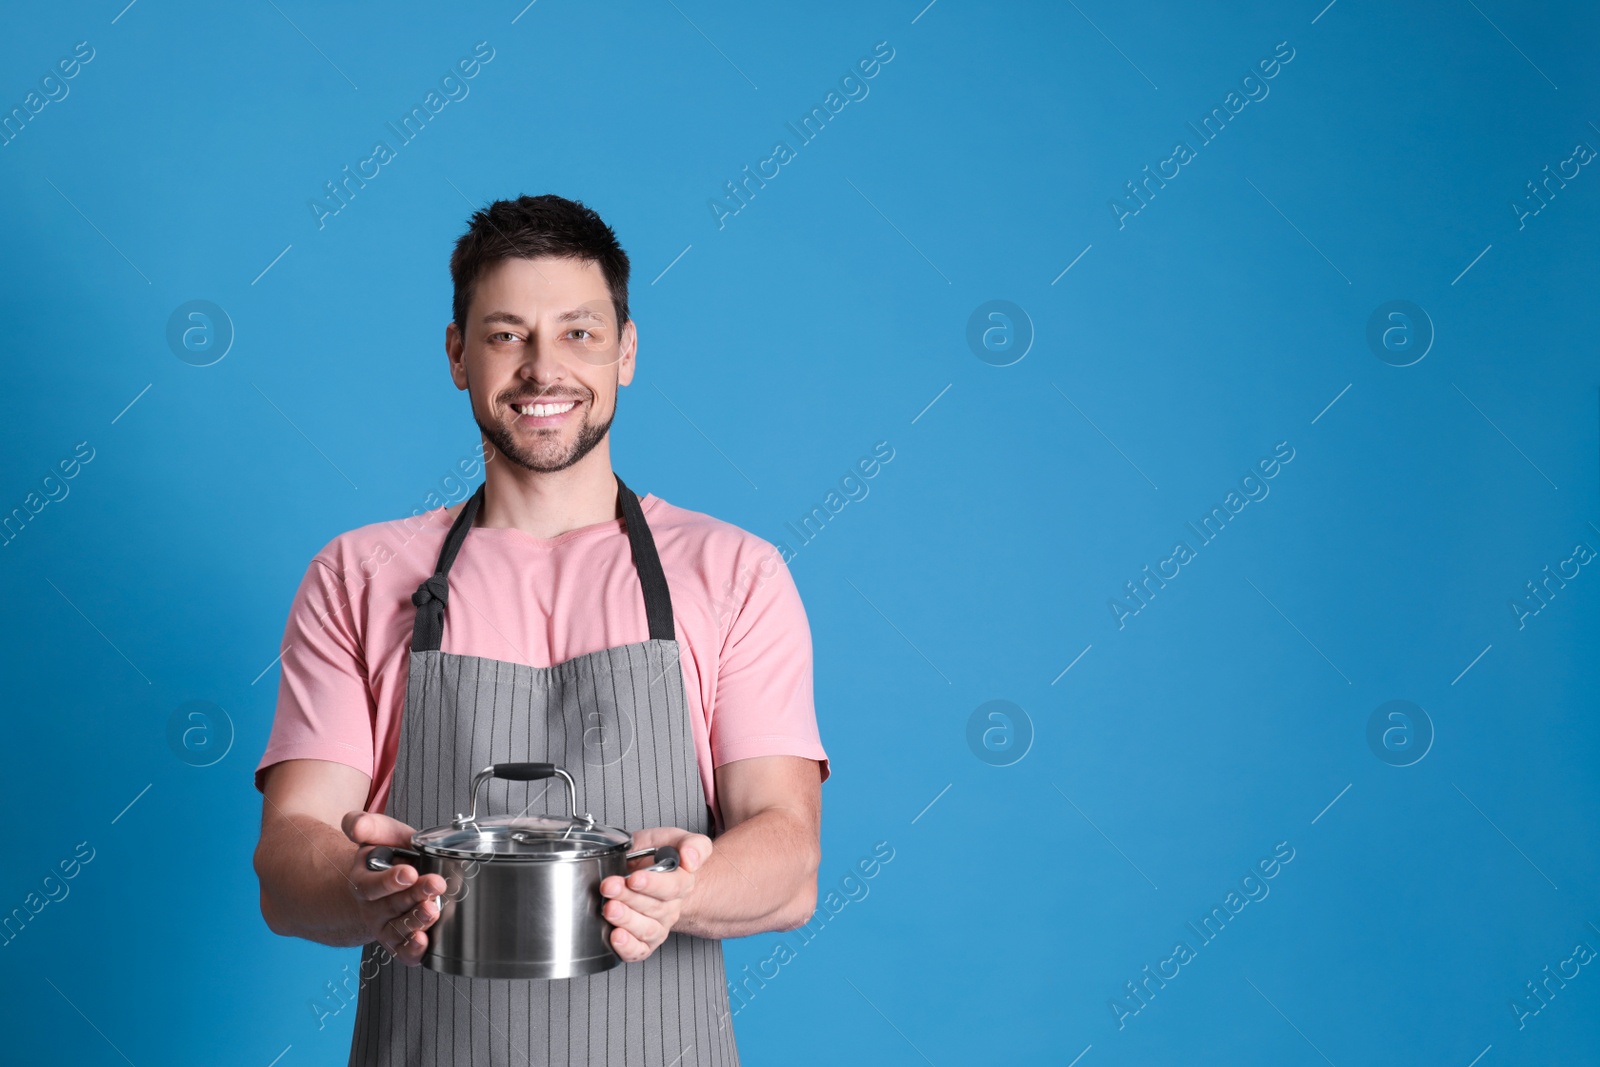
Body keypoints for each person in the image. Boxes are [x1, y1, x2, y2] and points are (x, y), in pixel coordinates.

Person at [251, 193, 828, 1066]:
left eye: (580, 333)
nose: (543, 368)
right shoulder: (358, 575)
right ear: (458, 355)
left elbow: (790, 854)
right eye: (507, 333)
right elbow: (289, 858)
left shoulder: (733, 573)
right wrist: (366, 888)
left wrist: (684, 889)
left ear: (627, 352)